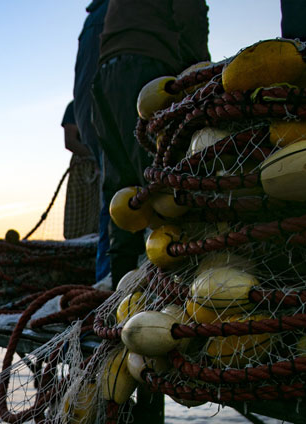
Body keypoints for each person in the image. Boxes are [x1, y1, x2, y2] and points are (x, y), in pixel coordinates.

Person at [92, 0, 209, 286]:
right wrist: (200, 73)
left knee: (123, 187)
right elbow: (191, 15)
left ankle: (121, 285)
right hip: (147, 65)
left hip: (106, 74)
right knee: (164, 181)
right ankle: (183, 281)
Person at [72, 0, 111, 281]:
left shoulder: (94, 21)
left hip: (100, 139)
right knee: (115, 199)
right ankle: (109, 280)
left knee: (114, 200)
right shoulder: (100, 20)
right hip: (103, 142)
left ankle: (107, 280)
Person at [61, 101, 100, 239]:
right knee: (79, 214)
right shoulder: (74, 106)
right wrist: (95, 158)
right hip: (84, 166)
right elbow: (70, 141)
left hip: (107, 161)